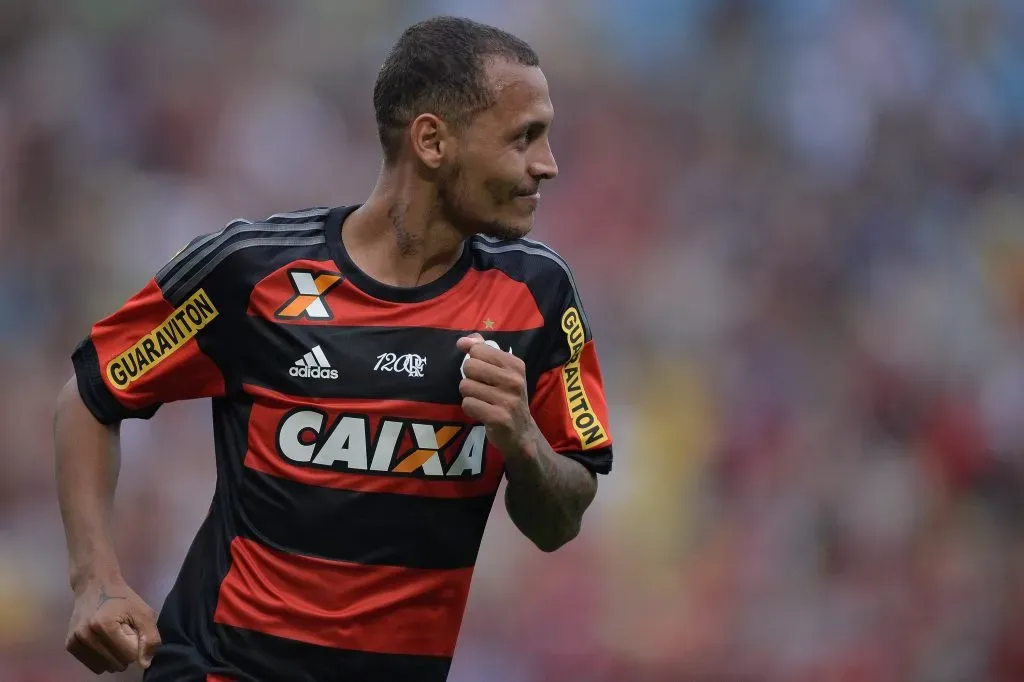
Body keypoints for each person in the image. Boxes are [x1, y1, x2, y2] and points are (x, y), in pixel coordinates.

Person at [54, 15, 614, 682]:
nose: (547, 164)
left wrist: (523, 441)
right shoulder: (251, 272)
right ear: (432, 141)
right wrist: (95, 578)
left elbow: (559, 522)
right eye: (525, 137)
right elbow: (91, 394)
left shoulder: (539, 294)